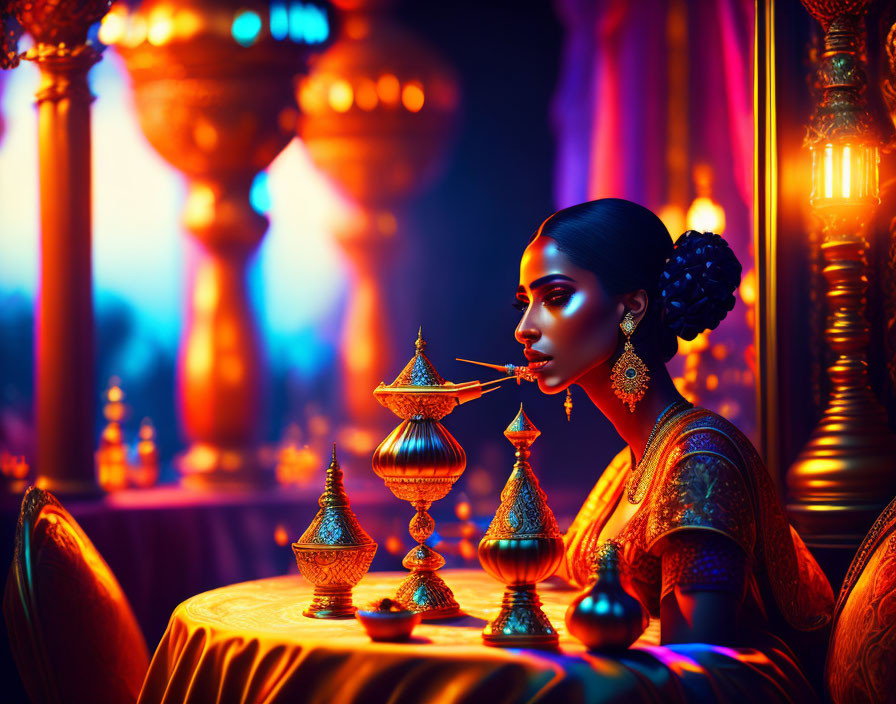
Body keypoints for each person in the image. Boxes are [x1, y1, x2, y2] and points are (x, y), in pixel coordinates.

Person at [513, 198, 833, 698]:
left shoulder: (699, 461)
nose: (525, 327)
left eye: (554, 297)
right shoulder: (630, 462)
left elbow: (697, 677)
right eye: (524, 302)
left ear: (631, 309)